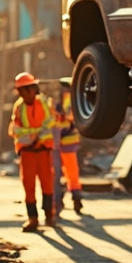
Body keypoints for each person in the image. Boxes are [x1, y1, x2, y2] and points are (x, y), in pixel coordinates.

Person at [8, 72, 56, 232]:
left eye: (29, 89)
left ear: (34, 89)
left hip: (43, 150)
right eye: (22, 91)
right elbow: (16, 129)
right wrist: (34, 135)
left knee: (47, 183)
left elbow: (50, 123)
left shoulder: (44, 103)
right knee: (28, 185)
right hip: (27, 151)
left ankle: (49, 215)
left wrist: (35, 136)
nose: (26, 93)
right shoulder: (19, 107)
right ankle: (32, 218)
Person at [52, 78, 85, 215]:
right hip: (62, 141)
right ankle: (72, 198)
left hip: (63, 140)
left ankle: (66, 199)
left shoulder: (66, 99)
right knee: (70, 173)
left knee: (61, 173)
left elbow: (70, 117)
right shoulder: (72, 99)